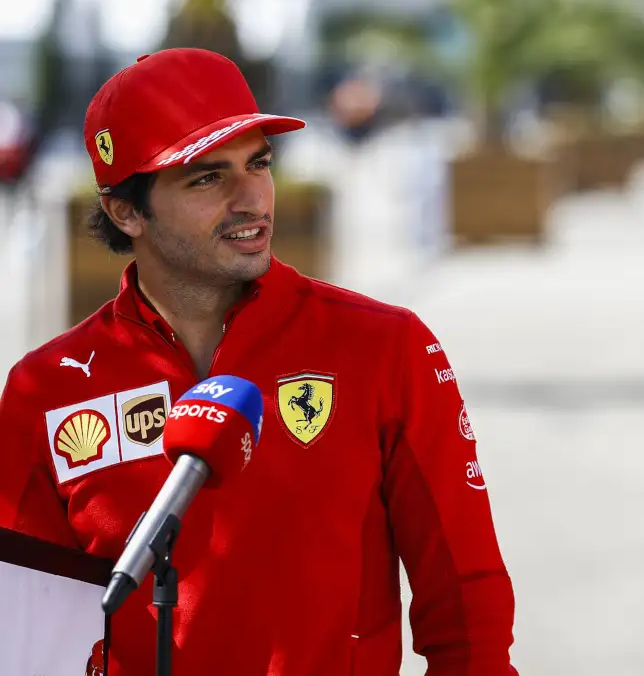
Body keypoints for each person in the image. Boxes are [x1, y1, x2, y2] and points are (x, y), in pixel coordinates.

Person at [0, 48, 520, 676]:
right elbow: (27, 633)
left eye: (259, 163)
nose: (253, 199)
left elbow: (465, 598)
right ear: (125, 210)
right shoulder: (44, 387)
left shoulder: (384, 345)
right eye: (207, 177)